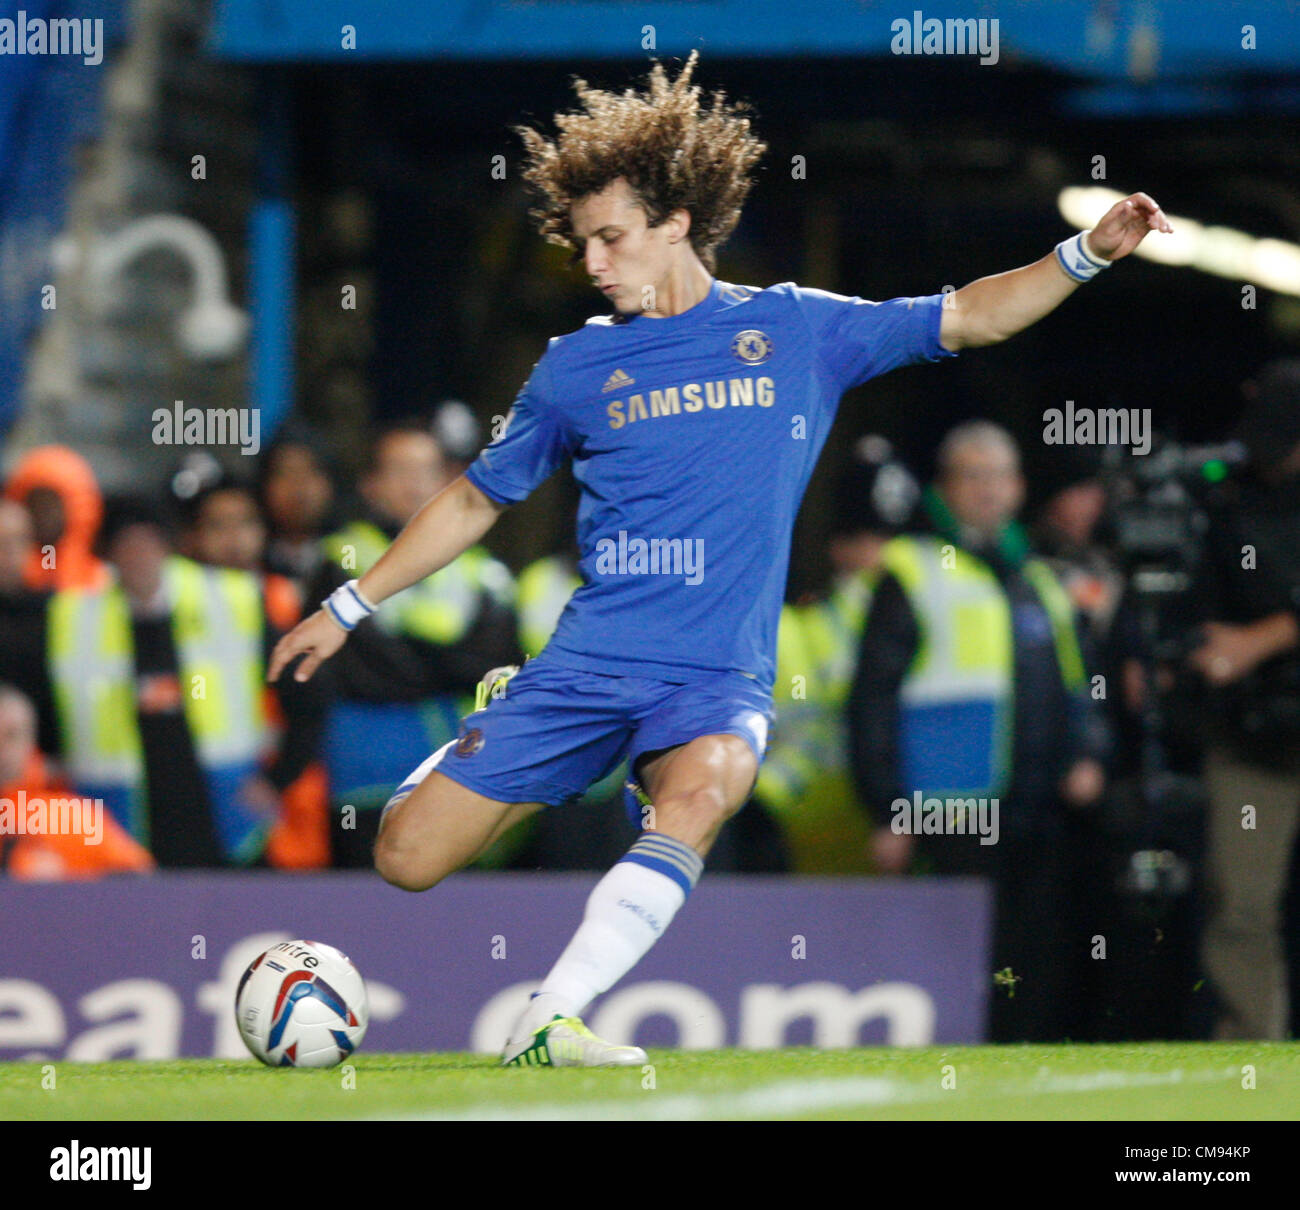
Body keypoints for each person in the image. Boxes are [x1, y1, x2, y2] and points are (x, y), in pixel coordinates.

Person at [269, 52, 1171, 1066]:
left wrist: (1086, 253)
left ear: (676, 223)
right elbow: (478, 497)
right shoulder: (575, 367)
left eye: (610, 238)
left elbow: (972, 312)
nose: (595, 262)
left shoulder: (794, 329)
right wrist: (347, 606)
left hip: (713, 675)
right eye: (583, 243)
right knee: (405, 859)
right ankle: (497, 723)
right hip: (588, 663)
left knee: (706, 788)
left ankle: (549, 1015)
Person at [847, 421, 1109, 1042]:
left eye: (1002, 476)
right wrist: (887, 811)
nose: (990, 490)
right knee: (956, 958)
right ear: (945, 487)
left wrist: (1090, 753)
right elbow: (871, 701)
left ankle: (1025, 1073)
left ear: (1019, 488)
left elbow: (1080, 683)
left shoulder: (1039, 577)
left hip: (1040, 803)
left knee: (1034, 954)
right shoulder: (910, 568)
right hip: (952, 808)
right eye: (975, 476)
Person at [309, 420, 519, 867]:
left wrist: (420, 658)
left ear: (447, 480)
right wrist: (448, 667)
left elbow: (495, 661)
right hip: (368, 770)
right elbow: (367, 668)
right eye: (398, 469)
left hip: (455, 771)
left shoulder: (483, 569)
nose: (413, 482)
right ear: (370, 484)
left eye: (426, 469)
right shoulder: (341, 558)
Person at [1187, 359, 1300, 1039]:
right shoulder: (1230, 501)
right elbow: (1200, 610)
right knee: (1241, 906)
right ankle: (1250, 1062)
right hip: (1256, 734)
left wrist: (1263, 637)